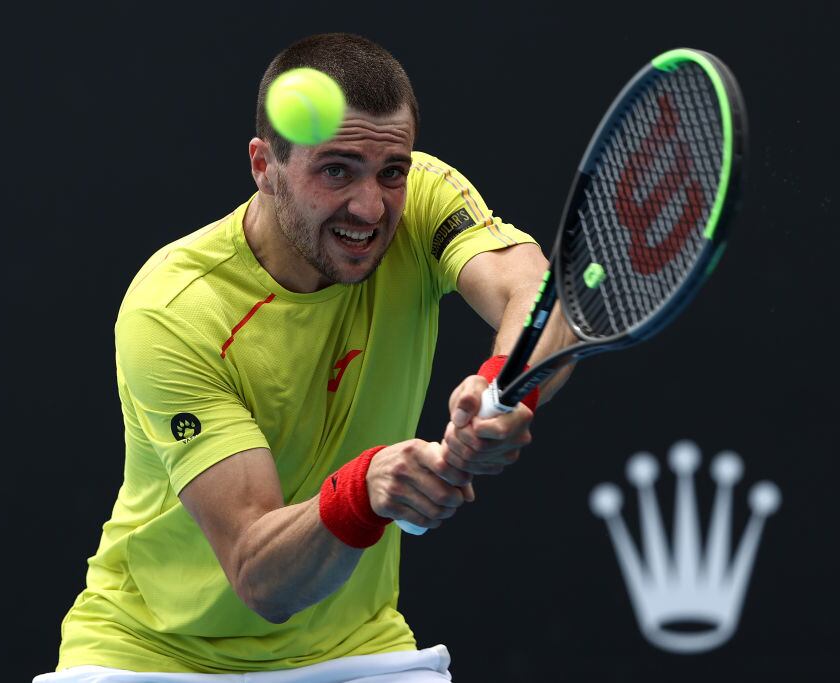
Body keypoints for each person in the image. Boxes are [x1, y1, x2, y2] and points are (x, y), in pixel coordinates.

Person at [35, 32, 574, 683]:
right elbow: (261, 578)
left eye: (390, 172)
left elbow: (539, 296)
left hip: (354, 650)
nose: (371, 205)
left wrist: (502, 392)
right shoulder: (175, 307)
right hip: (150, 656)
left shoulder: (426, 199)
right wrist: (367, 490)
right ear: (264, 165)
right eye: (335, 170)